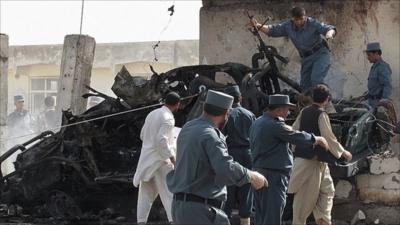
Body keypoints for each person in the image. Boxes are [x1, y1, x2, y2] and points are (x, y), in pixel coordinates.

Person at [167, 90, 268, 225]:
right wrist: (252, 176)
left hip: (181, 206)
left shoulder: (188, 127)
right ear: (226, 113)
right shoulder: (211, 135)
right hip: (200, 210)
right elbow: (225, 168)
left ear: (204, 108)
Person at [249, 94, 329, 225]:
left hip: (258, 173)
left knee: (261, 215)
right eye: (287, 109)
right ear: (279, 110)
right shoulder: (275, 125)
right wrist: (316, 139)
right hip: (273, 177)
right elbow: (294, 135)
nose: (288, 113)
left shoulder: (257, 122)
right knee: (272, 216)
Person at [288, 85, 353, 225]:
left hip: (318, 161)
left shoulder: (304, 111)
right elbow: (328, 137)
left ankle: (323, 219)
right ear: (328, 100)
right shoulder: (321, 114)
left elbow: (294, 131)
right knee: (305, 199)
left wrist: (296, 149)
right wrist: (343, 152)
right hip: (311, 161)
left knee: (328, 190)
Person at [251, 6, 336, 92]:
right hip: (306, 58)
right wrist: (257, 25)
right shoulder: (288, 26)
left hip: (320, 54)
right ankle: (311, 104)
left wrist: (329, 34)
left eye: (301, 19)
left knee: (316, 80)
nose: (299, 22)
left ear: (305, 17)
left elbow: (329, 29)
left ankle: (327, 104)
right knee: (305, 87)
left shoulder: (312, 23)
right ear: (292, 19)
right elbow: (273, 30)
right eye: (296, 20)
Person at [133, 92, 181, 225]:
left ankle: (141, 222)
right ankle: (174, 221)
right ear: (178, 104)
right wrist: (172, 158)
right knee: (169, 194)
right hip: (161, 162)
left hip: (146, 161)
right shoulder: (169, 118)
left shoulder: (152, 114)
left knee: (145, 195)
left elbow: (143, 135)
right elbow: (161, 140)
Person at [222, 85, 256, 225]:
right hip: (248, 154)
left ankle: (225, 219)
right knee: (247, 189)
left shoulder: (226, 115)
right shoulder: (250, 114)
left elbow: (220, 135)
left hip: (231, 153)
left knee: (229, 188)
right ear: (240, 98)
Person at [355, 42, 392, 108]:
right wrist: (365, 96)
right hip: (372, 103)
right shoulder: (374, 67)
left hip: (379, 104)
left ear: (376, 53)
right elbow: (375, 88)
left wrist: (383, 101)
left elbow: (387, 85)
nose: (368, 57)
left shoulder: (382, 67)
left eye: (369, 55)